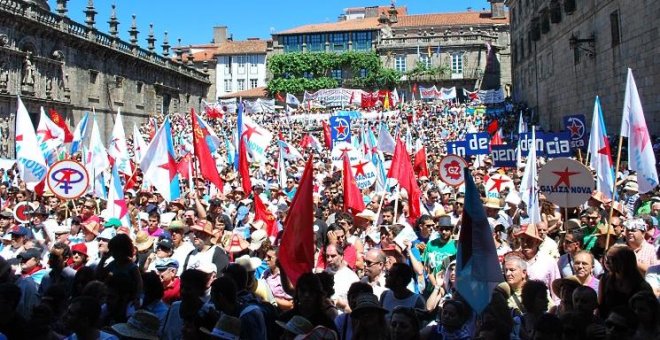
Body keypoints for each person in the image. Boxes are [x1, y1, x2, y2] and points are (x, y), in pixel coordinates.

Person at [599, 245, 653, 317]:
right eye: (607, 258)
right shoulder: (605, 279)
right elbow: (600, 306)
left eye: (613, 259)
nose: (607, 262)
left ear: (625, 261)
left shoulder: (642, 287)